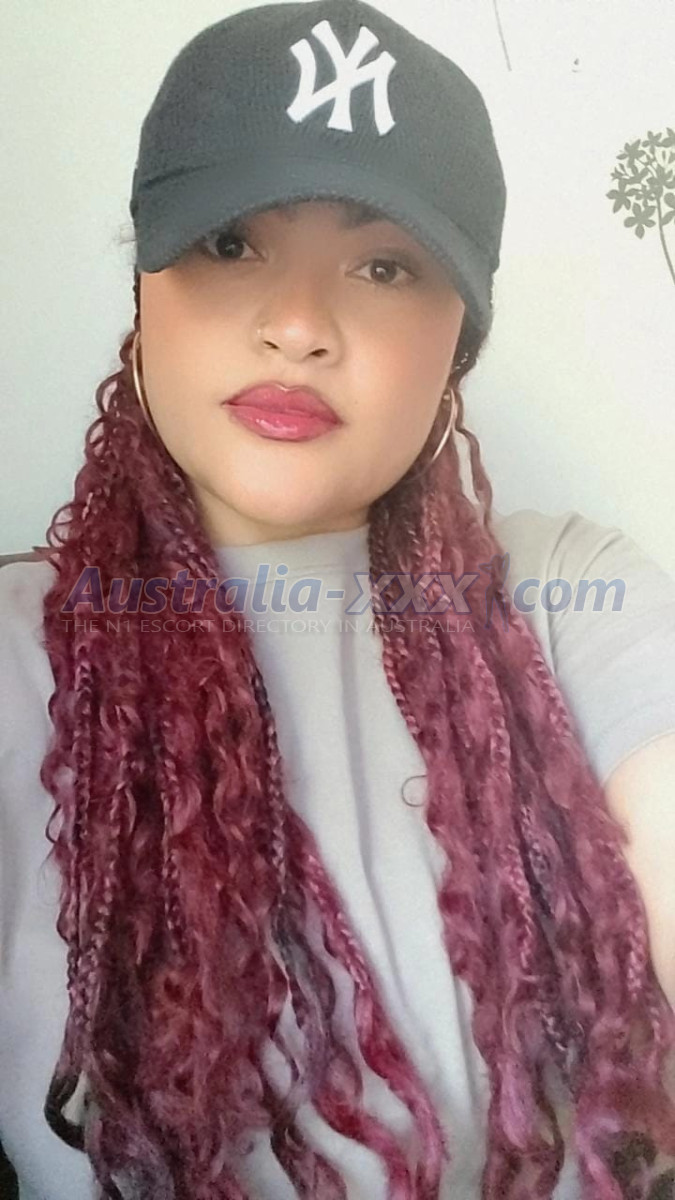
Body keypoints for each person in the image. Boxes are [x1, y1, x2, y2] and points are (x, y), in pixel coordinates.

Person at [1, 1, 675, 1197]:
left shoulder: (572, 596)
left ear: (460, 336)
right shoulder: (20, 659)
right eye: (231, 243)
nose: (299, 326)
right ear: (144, 281)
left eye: (383, 265)